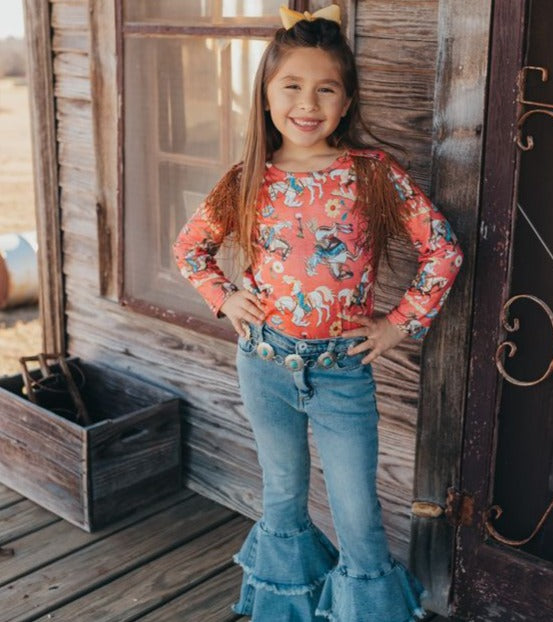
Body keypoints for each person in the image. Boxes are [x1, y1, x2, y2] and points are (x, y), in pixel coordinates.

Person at [172, 4, 463, 621]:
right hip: (263, 363)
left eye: (325, 88)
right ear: (266, 95)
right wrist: (224, 297)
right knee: (282, 493)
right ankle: (289, 610)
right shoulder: (247, 178)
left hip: (341, 373)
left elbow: (443, 250)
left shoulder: (372, 174)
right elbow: (190, 249)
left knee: (358, 514)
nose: (307, 103)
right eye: (292, 86)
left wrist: (398, 324)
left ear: (347, 100)